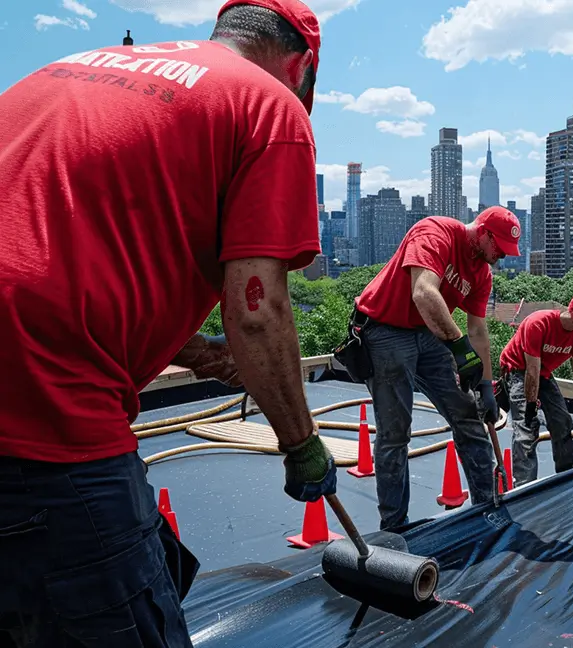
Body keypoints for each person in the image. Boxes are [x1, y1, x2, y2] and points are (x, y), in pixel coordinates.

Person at [0, 1, 336, 645]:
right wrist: (301, 444)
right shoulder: (269, 104)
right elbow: (258, 311)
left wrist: (193, 347)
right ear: (302, 68)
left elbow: (44, 251)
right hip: (42, 413)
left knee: (161, 561)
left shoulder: (77, 67)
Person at [352, 206, 522, 531]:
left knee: (468, 415)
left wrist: (486, 386)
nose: (501, 256)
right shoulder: (436, 233)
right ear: (484, 232)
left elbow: (478, 332)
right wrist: (459, 349)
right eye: (499, 246)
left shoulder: (481, 273)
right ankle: (395, 528)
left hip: (427, 333)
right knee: (395, 432)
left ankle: (487, 508)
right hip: (385, 328)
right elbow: (424, 293)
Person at [497, 292, 573, 486]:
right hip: (518, 369)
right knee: (526, 426)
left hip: (543, 373)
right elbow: (531, 368)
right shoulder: (538, 323)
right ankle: (524, 486)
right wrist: (530, 405)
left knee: (562, 421)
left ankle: (567, 475)